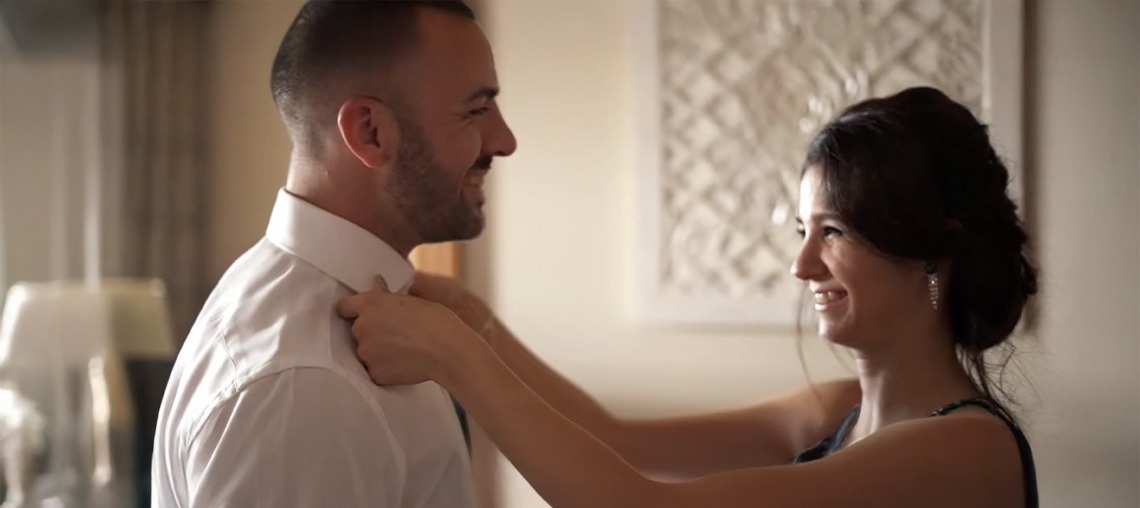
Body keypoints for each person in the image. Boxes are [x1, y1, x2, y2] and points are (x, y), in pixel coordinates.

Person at [337, 86, 1039, 507]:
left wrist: (457, 359)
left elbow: (634, 504)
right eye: (803, 231)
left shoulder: (965, 450)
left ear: (930, 249)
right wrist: (475, 321)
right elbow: (616, 442)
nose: (801, 265)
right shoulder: (834, 413)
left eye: (834, 232)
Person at [151, 1, 516, 506]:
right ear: (370, 133)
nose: (505, 141)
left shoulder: (340, 328)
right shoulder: (304, 386)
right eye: (475, 110)